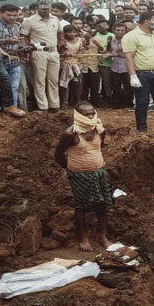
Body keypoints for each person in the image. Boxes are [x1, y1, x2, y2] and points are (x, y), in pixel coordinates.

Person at [54, 102, 113, 251]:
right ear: (78, 116)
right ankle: (82, 236)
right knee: (82, 205)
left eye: (92, 113)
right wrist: (70, 169)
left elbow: (100, 147)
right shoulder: (70, 134)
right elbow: (58, 154)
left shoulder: (99, 129)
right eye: (86, 114)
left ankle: (102, 235)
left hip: (99, 172)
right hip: (79, 175)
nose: (91, 116)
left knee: (103, 203)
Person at [20, 0, 64, 113]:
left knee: (53, 80)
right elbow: (23, 36)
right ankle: (42, 106)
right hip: (39, 52)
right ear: (37, 8)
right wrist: (27, 50)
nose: (46, 11)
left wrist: (61, 43)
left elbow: (60, 33)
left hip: (53, 51)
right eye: (43, 9)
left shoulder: (55, 19)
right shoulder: (29, 21)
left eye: (47, 8)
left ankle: (54, 105)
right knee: (39, 80)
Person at [0, 4, 23, 112]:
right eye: (9, 15)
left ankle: (13, 108)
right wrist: (6, 41)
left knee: (14, 87)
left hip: (14, 60)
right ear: (1, 13)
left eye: (15, 15)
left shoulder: (16, 26)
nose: (12, 18)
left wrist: (23, 48)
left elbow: (17, 43)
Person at [108, 22, 132, 108]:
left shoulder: (129, 39)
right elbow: (110, 50)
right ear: (114, 30)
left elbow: (128, 51)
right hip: (115, 67)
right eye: (118, 30)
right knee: (115, 87)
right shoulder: (111, 39)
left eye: (122, 30)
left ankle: (128, 104)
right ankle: (116, 105)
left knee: (128, 87)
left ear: (125, 31)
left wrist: (117, 53)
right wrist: (108, 54)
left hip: (127, 67)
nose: (120, 32)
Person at [94, 19, 115, 104]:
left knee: (107, 81)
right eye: (99, 26)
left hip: (107, 62)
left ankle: (108, 97)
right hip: (94, 62)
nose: (102, 27)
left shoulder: (112, 35)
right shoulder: (94, 35)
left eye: (104, 25)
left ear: (107, 26)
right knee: (96, 82)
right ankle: (97, 97)